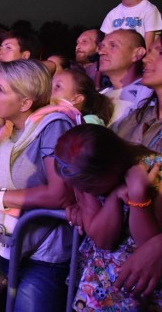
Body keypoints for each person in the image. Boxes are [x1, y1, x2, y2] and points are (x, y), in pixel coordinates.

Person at [0, 59, 76, 312]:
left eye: (1, 89)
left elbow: (60, 193)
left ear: (25, 103)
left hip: (42, 257)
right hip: (5, 250)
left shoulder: (54, 125)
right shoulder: (6, 129)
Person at [54, 124, 162, 310]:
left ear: (113, 168)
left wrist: (137, 194)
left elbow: (148, 244)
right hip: (103, 289)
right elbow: (102, 239)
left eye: (88, 186)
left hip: (146, 283)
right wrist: (114, 198)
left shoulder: (153, 171)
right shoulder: (81, 177)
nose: (82, 190)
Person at [113, 34, 162, 151]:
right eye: (149, 52)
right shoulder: (135, 118)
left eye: (161, 52)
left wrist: (146, 162)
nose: (145, 59)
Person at [99, 29, 149, 126]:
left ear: (138, 54)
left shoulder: (150, 95)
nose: (101, 52)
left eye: (113, 46)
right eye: (102, 46)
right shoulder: (100, 95)